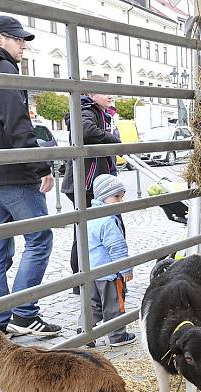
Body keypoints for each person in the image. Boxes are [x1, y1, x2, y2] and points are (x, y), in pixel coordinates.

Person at [0, 15, 60, 337]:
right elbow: (18, 125)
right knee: (40, 238)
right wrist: (40, 167)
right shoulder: (3, 71)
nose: (23, 48)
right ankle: (24, 312)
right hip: (15, 174)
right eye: (19, 41)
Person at [61, 75, 122, 293]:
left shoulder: (99, 112)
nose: (109, 95)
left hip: (91, 182)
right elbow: (86, 131)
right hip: (87, 184)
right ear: (89, 94)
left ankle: (88, 279)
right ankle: (84, 281)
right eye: (103, 90)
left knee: (88, 230)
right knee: (88, 231)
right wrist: (112, 139)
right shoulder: (86, 110)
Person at [79, 174, 136, 347]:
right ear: (103, 197)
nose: (120, 201)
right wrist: (126, 269)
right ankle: (118, 336)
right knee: (114, 305)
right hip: (110, 274)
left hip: (92, 272)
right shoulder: (108, 220)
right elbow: (117, 247)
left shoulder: (89, 217)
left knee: (92, 304)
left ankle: (85, 333)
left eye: (122, 196)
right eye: (116, 197)